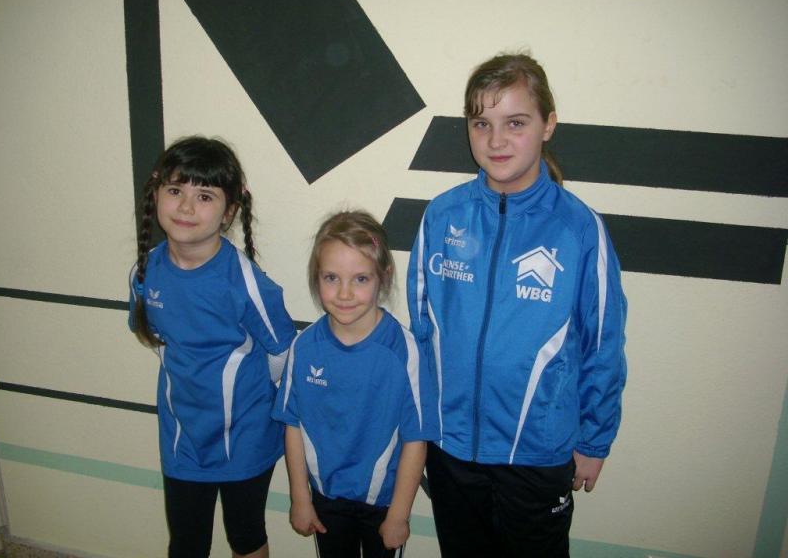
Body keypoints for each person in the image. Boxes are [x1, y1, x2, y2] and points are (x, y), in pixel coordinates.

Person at [407, 52, 628, 557]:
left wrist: (594, 441)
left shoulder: (578, 229)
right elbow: (421, 333)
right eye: (481, 123)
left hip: (536, 454)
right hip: (450, 449)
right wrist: (419, 432)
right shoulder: (442, 216)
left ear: (548, 125)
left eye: (516, 123)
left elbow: (603, 343)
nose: (496, 140)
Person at [128, 136, 296, 558]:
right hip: (182, 437)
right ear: (156, 193)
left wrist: (250, 400)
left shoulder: (245, 281)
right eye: (175, 190)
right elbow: (157, 338)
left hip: (245, 437)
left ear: (230, 211)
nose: (186, 207)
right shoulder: (146, 271)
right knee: (186, 542)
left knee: (246, 536)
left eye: (204, 196)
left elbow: (282, 353)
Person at [272, 210, 438, 558]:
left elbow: (416, 439)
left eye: (360, 278)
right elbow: (293, 425)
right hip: (325, 499)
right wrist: (300, 498)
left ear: (383, 277)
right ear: (316, 277)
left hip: (384, 504)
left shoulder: (404, 351)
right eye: (331, 277)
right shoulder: (305, 347)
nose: (344, 293)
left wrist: (400, 515)